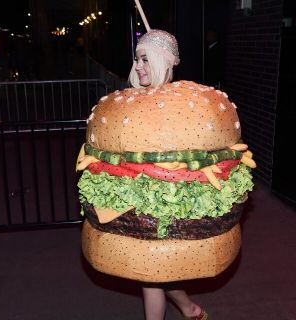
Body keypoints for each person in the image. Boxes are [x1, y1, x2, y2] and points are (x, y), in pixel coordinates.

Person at [128, 29, 207, 320]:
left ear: (165, 61)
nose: (138, 66)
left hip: (174, 198)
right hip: (138, 195)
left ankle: (189, 308)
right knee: (153, 270)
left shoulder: (185, 102)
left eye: (145, 59)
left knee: (153, 271)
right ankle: (190, 308)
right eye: (137, 59)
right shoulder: (131, 102)